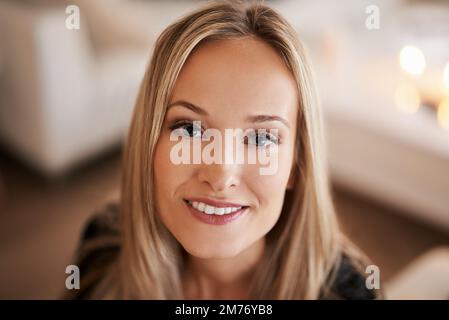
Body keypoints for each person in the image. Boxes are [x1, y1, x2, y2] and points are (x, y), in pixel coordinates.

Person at [65, 0, 382, 300]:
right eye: (190, 129)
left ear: (297, 167)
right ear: (148, 144)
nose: (220, 175)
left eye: (260, 139)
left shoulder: (349, 292)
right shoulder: (103, 246)